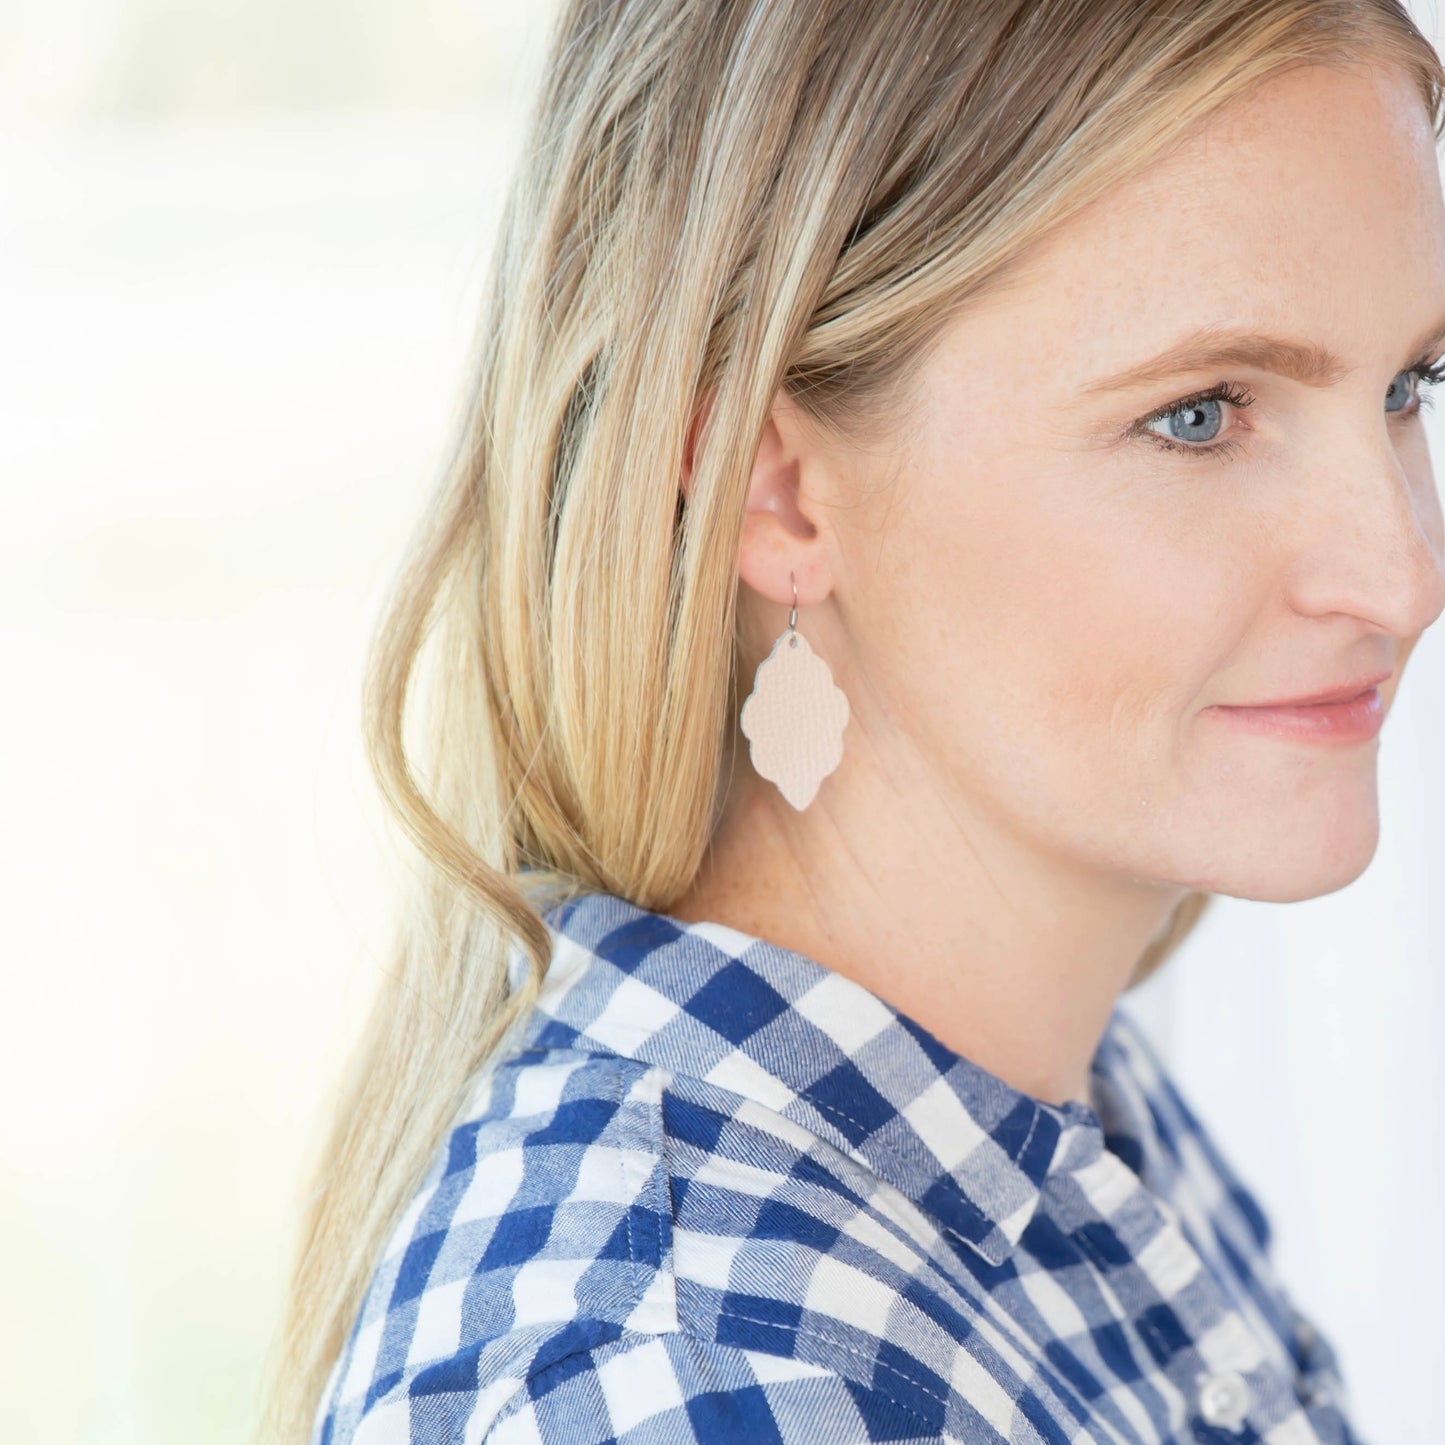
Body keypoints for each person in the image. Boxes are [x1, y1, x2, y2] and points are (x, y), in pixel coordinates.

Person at [257, 1, 1445, 1441]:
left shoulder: (1041, 1114)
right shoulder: (686, 1383)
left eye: (1407, 386)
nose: (1402, 572)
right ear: (777, 493)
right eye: (1199, 414)